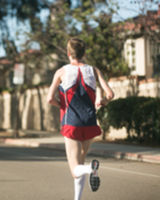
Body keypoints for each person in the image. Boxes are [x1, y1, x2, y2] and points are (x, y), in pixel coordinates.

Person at [47, 37, 114, 200]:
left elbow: (49, 98)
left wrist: (62, 106)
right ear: (83, 53)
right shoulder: (94, 71)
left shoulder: (61, 72)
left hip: (71, 125)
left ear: (68, 53)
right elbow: (110, 94)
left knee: (76, 168)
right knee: (80, 164)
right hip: (90, 124)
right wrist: (102, 102)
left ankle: (91, 168)